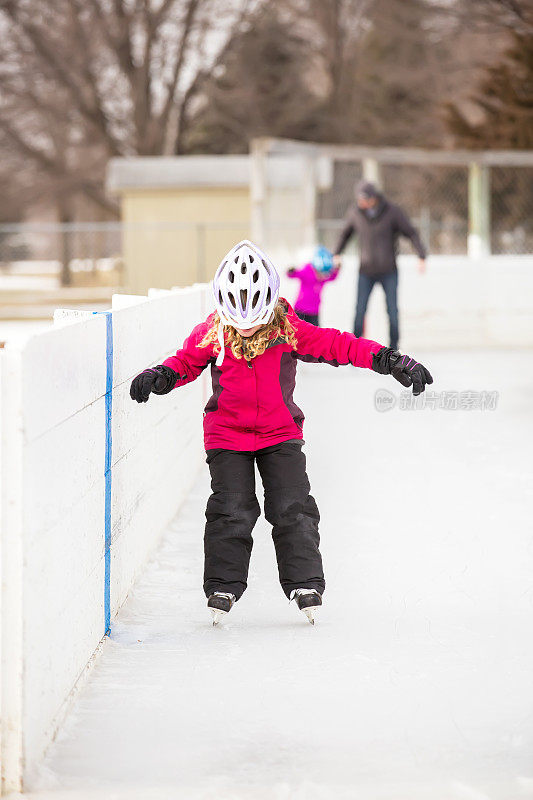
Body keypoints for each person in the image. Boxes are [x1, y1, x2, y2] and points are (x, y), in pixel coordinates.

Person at [130, 240, 433, 625]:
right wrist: (160, 376)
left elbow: (339, 345)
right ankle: (223, 584)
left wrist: (388, 359)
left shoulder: (289, 329)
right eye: (240, 320)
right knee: (231, 509)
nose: (249, 327)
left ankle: (305, 583)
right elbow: (185, 361)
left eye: (255, 318)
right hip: (227, 436)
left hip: (280, 434)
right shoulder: (213, 333)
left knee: (293, 506)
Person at [333, 180, 427, 350]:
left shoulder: (392, 212)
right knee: (360, 310)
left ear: (373, 198)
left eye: (364, 199)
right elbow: (344, 234)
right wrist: (336, 253)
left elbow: (411, 233)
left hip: (388, 270)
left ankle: (394, 349)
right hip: (366, 271)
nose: (361, 203)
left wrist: (421, 255)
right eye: (359, 199)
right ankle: (355, 349)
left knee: (392, 312)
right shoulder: (355, 213)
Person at [287, 245, 339, 326]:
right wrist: (291, 271)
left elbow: (332, 277)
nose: (323, 276)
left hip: (314, 311)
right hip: (301, 309)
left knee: (316, 334)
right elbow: (295, 274)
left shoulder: (324, 278)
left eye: (325, 274)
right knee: (296, 330)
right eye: (321, 273)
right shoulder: (307, 271)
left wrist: (337, 269)